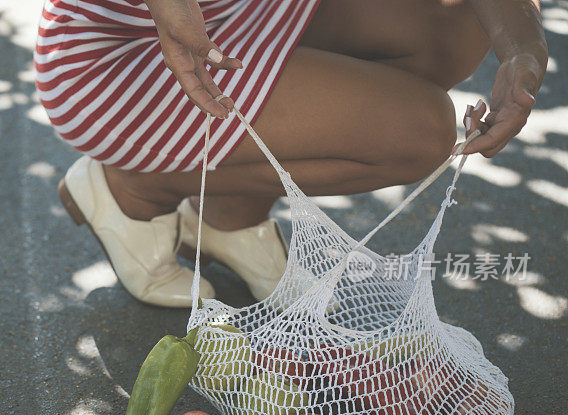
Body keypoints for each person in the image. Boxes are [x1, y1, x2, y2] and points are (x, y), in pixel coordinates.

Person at [35, 0, 548, 308]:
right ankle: (135, 186)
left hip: (248, 13)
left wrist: (524, 46)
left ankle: (230, 214)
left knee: (455, 24)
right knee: (421, 133)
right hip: (119, 46)